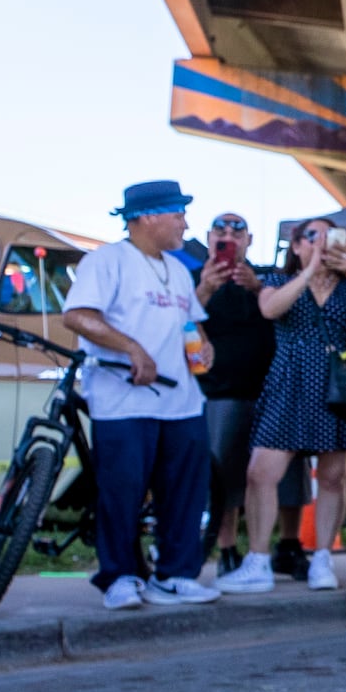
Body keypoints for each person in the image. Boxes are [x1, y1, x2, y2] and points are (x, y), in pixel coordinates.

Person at [63, 178, 219, 610]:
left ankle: (174, 575)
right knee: (122, 490)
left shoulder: (178, 269)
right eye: (178, 214)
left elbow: (191, 323)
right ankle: (120, 577)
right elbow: (76, 315)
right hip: (123, 401)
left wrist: (203, 344)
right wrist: (131, 348)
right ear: (148, 217)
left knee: (186, 491)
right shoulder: (107, 261)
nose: (185, 223)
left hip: (182, 401)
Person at [221, 219, 346, 594]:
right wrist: (310, 271)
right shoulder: (279, 282)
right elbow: (269, 309)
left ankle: (322, 560)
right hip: (289, 383)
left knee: (333, 476)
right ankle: (259, 560)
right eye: (312, 236)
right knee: (261, 472)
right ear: (296, 246)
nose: (321, 243)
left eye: (329, 235)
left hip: (335, 386)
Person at [191, 210, 276, 575]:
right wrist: (205, 290)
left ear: (249, 240)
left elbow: (280, 314)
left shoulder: (265, 276)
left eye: (237, 230)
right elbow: (181, 322)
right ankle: (225, 548)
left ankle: (274, 547)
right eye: (221, 231)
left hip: (266, 391)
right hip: (217, 391)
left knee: (267, 476)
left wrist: (257, 287)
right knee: (224, 475)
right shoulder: (193, 277)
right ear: (209, 238)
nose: (229, 235)